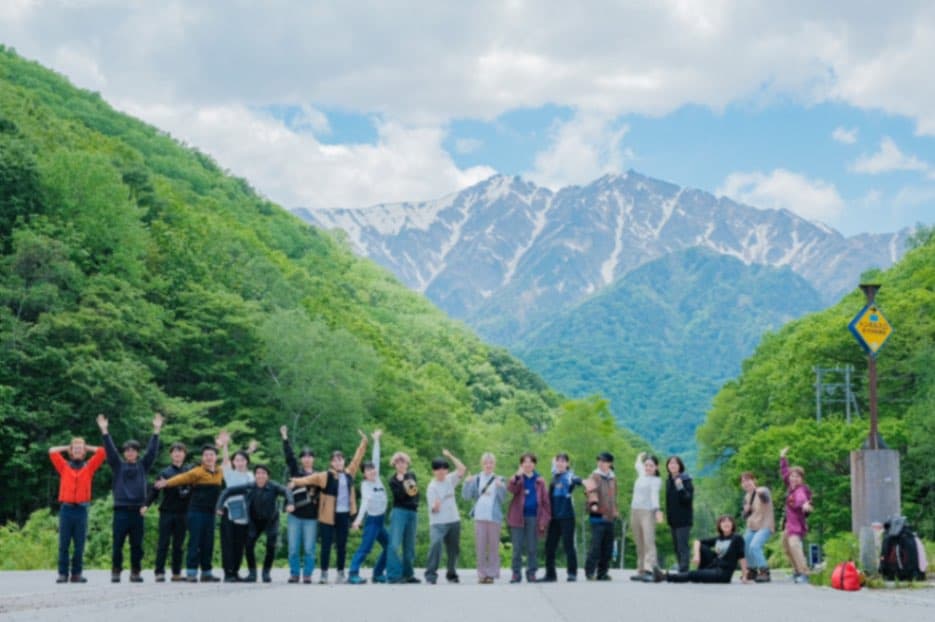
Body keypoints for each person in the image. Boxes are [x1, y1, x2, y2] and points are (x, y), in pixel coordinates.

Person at [289, 430, 367, 583]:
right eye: (335, 460)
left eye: (340, 460)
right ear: (331, 463)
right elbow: (308, 479)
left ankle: (340, 573)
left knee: (342, 545)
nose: (338, 462)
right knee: (326, 545)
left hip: (344, 515)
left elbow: (357, 459)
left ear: (343, 461)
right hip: (327, 516)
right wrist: (295, 482)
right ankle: (324, 574)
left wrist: (363, 443)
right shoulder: (325, 476)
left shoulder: (349, 473)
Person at [97, 413, 162, 583]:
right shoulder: (118, 466)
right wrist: (105, 431)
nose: (130, 453)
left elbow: (152, 452)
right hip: (120, 511)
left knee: (137, 545)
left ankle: (135, 571)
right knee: (117, 543)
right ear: (125, 453)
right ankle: (116, 570)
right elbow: (111, 452)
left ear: (137, 453)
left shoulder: (142, 466)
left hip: (138, 511)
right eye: (127, 451)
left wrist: (156, 431)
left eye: (133, 450)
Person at [154, 443, 224, 582]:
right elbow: (182, 478)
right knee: (195, 542)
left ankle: (206, 573)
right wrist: (166, 483)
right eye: (206, 455)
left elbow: (229, 464)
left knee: (208, 543)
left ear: (216, 457)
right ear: (202, 458)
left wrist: (224, 446)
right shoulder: (197, 471)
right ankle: (191, 572)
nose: (209, 457)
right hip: (196, 512)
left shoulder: (219, 471)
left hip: (210, 513)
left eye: (211, 455)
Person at [216, 465, 294, 583]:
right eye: (258, 473)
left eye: (263, 473)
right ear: (255, 475)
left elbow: (286, 491)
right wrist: (220, 506)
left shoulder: (273, 486)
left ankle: (266, 573)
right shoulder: (250, 486)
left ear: (268, 476)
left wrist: (290, 503)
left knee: (271, 546)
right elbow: (228, 491)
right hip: (255, 521)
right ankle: (252, 573)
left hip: (271, 521)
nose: (260, 476)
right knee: (248, 545)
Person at [48, 436, 106, 583]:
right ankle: (63, 574)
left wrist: (86, 446)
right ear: (71, 451)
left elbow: (102, 452)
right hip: (66, 510)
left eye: (80, 449)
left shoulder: (89, 467)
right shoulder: (64, 466)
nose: (78, 451)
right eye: (75, 449)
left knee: (79, 544)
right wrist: (68, 446)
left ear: (84, 451)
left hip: (81, 510)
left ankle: (76, 574)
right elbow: (52, 451)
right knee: (64, 543)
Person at [141, 441, 192, 582]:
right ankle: (159, 572)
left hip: (183, 513)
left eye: (180, 451)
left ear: (184, 454)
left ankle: (176, 573)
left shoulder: (189, 472)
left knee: (179, 544)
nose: (177, 454)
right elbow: (154, 491)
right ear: (171, 455)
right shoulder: (164, 472)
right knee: (163, 543)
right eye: (175, 451)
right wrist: (146, 505)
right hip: (167, 512)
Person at [652, 515, 750, 584]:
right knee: (702, 546)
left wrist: (745, 576)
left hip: (723, 574)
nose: (726, 523)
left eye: (729, 521)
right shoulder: (719, 538)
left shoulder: (737, 538)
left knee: (693, 574)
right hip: (713, 567)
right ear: (720, 525)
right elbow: (697, 541)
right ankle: (702, 572)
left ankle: (665, 577)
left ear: (732, 524)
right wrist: (696, 555)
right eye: (723, 521)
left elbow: (741, 557)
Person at [280, 425, 320, 584]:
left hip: (311, 517)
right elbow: (290, 458)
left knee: (310, 548)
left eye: (310, 456)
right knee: (293, 548)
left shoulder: (319, 477)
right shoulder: (296, 473)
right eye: (304, 456)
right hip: (295, 516)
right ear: (302, 459)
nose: (307, 458)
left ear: (313, 459)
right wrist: (285, 438)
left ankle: (308, 574)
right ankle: (294, 573)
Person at [348, 430, 389, 584]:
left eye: (373, 469)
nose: (372, 471)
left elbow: (376, 458)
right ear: (364, 474)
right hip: (372, 522)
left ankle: (377, 574)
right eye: (368, 470)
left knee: (389, 546)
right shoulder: (365, 486)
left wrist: (376, 440)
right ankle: (353, 574)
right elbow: (365, 502)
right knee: (365, 548)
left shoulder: (377, 479)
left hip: (380, 522)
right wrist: (358, 520)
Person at [217, 430, 256, 582]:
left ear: (247, 461)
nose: (239, 462)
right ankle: (228, 573)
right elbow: (225, 461)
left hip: (245, 513)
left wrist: (249, 451)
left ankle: (236, 571)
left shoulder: (251, 475)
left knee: (240, 543)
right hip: (230, 511)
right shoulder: (229, 473)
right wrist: (225, 445)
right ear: (233, 462)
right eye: (236, 460)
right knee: (228, 542)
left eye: (242, 460)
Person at [462, 452, 507, 584]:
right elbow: (466, 496)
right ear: (482, 464)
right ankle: (481, 574)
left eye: (491, 463)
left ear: (494, 464)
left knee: (493, 547)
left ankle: (491, 574)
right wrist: (466, 483)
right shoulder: (476, 478)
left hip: (494, 518)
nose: (488, 465)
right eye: (486, 463)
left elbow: (502, 499)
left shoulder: (500, 479)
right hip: (480, 516)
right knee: (480, 546)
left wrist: (500, 487)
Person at [506, 452, 551, 583]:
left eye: (531, 462)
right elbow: (511, 489)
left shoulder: (540, 481)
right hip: (517, 517)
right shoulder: (517, 478)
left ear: (534, 464)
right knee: (517, 548)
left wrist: (543, 520)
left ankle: (531, 573)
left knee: (532, 548)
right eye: (525, 462)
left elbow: (546, 503)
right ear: (521, 464)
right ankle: (516, 574)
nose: (528, 464)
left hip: (534, 518)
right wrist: (517, 476)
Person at [425, 449, 467, 585]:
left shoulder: (450, 479)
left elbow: (462, 469)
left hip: (454, 520)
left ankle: (451, 574)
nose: (441, 471)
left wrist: (450, 456)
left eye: (444, 468)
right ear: (434, 471)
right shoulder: (431, 487)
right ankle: (431, 575)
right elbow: (432, 508)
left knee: (453, 549)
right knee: (435, 545)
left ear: (447, 470)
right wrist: (435, 507)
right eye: (438, 469)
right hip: (438, 523)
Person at [544, 453, 583, 582]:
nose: (560, 463)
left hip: (567, 516)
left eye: (563, 461)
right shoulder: (554, 478)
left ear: (567, 463)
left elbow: (577, 480)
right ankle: (550, 574)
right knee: (549, 546)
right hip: (554, 518)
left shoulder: (569, 476)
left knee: (568, 545)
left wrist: (582, 481)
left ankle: (572, 573)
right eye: (558, 461)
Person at [385, 450, 421, 584]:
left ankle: (408, 574)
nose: (401, 464)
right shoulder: (393, 480)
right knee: (394, 544)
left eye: (403, 462)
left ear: (407, 463)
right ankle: (393, 575)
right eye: (398, 462)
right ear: (394, 464)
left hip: (412, 512)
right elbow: (400, 496)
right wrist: (402, 482)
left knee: (409, 545)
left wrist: (405, 480)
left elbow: (414, 493)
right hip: (399, 511)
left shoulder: (411, 475)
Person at [780, 447, 813, 584]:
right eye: (792, 476)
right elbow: (784, 472)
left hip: (797, 525)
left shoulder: (801, 490)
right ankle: (797, 571)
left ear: (801, 479)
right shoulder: (790, 487)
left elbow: (802, 499)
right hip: (789, 525)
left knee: (794, 546)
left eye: (797, 476)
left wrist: (805, 505)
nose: (793, 478)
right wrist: (783, 457)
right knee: (786, 547)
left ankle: (805, 573)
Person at [584, 451, 619, 581]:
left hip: (610, 517)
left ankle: (602, 573)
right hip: (597, 516)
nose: (600, 463)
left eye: (604, 461)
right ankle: (590, 572)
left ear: (610, 463)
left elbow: (614, 497)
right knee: (596, 546)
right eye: (599, 460)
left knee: (608, 547)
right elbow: (590, 491)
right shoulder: (594, 476)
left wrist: (615, 510)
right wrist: (593, 503)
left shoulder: (613, 478)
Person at [630, 452, 663, 582]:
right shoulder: (641, 474)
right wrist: (640, 456)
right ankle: (641, 570)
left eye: (651, 465)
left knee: (649, 541)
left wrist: (657, 510)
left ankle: (650, 569)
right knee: (639, 542)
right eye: (646, 465)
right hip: (635, 511)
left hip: (648, 512)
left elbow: (655, 496)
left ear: (656, 467)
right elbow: (637, 464)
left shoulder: (656, 481)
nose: (648, 468)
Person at [740, 471, 775, 583]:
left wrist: (758, 491)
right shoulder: (746, 497)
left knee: (754, 546)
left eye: (748, 480)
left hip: (765, 525)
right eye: (743, 481)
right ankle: (752, 570)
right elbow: (745, 516)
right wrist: (746, 511)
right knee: (744, 545)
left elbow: (766, 499)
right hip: (752, 527)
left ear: (754, 481)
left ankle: (764, 572)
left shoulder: (762, 490)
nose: (746, 483)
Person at [665, 456, 694, 573]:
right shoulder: (668, 481)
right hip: (673, 519)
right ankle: (681, 569)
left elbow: (687, 499)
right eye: (670, 463)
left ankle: (684, 570)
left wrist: (680, 486)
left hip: (684, 519)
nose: (672, 465)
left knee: (682, 546)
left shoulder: (686, 480)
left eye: (675, 463)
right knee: (676, 546)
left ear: (680, 466)